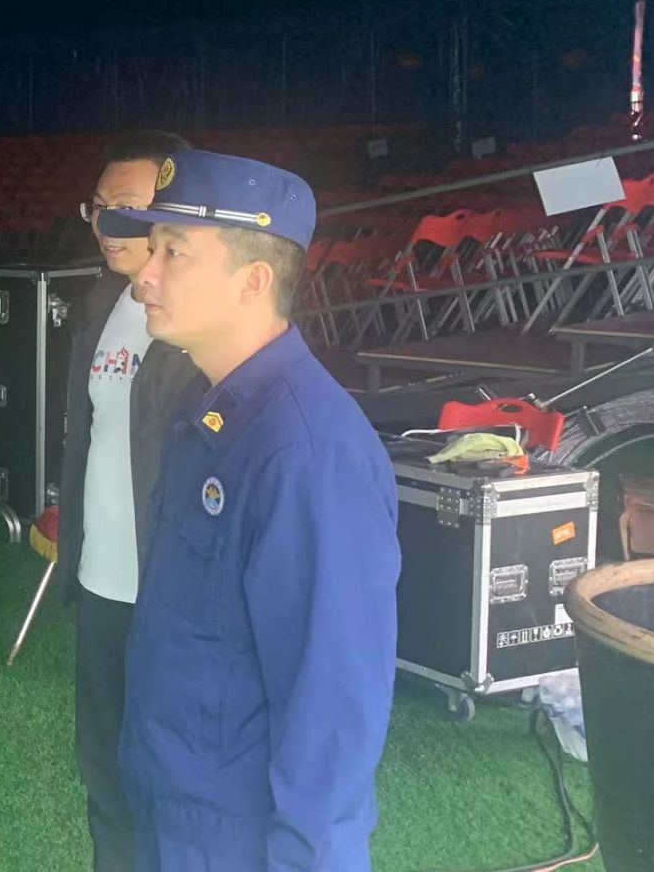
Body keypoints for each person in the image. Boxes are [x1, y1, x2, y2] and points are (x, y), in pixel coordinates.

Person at [98, 149, 400, 871]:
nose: (145, 274)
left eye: (174, 252)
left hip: (231, 839)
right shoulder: (210, 411)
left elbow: (331, 711)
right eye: (152, 248)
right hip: (170, 806)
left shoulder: (308, 453)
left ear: (254, 280)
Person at [57, 131, 201, 872]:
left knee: (172, 775)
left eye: (127, 209)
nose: (105, 225)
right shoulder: (102, 306)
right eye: (98, 208)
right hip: (102, 583)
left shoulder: (201, 329)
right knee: (103, 766)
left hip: (172, 594)